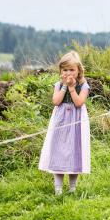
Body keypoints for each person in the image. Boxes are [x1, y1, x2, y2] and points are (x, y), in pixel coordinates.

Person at [39, 51, 91, 194]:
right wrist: (63, 86)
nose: (68, 73)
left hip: (76, 121)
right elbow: (56, 101)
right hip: (61, 121)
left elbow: (79, 103)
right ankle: (58, 189)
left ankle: (72, 188)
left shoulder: (84, 86)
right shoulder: (58, 85)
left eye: (72, 70)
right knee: (59, 151)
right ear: (61, 71)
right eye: (65, 70)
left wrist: (72, 89)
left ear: (79, 70)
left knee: (75, 151)